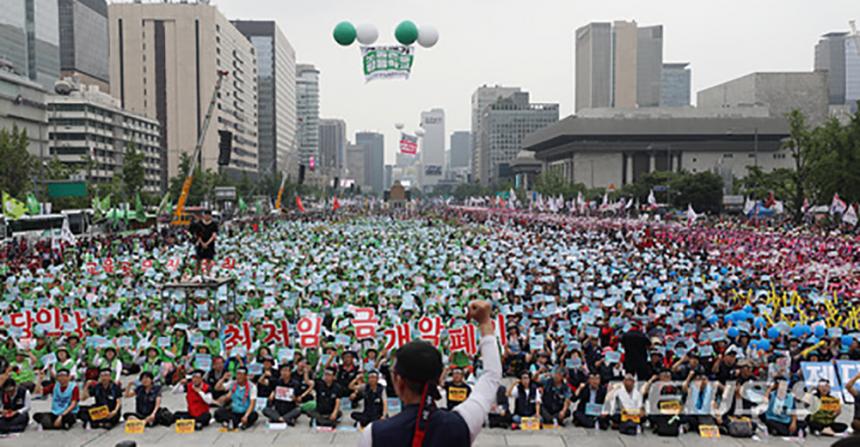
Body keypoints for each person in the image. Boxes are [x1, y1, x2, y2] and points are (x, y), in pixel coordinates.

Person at [357, 300, 500, 447]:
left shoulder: (374, 433)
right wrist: (485, 323)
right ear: (439, 379)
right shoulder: (463, 423)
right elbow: (491, 376)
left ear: (398, 381)